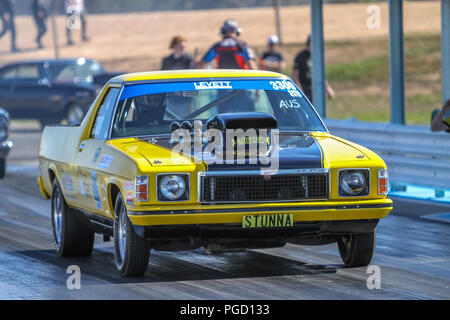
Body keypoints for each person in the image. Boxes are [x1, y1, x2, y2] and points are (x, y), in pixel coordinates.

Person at [292, 35, 334, 103]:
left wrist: (328, 89)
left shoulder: (317, 56)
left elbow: (320, 75)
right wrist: (298, 89)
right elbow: (295, 74)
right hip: (303, 88)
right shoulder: (301, 56)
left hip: (315, 89)